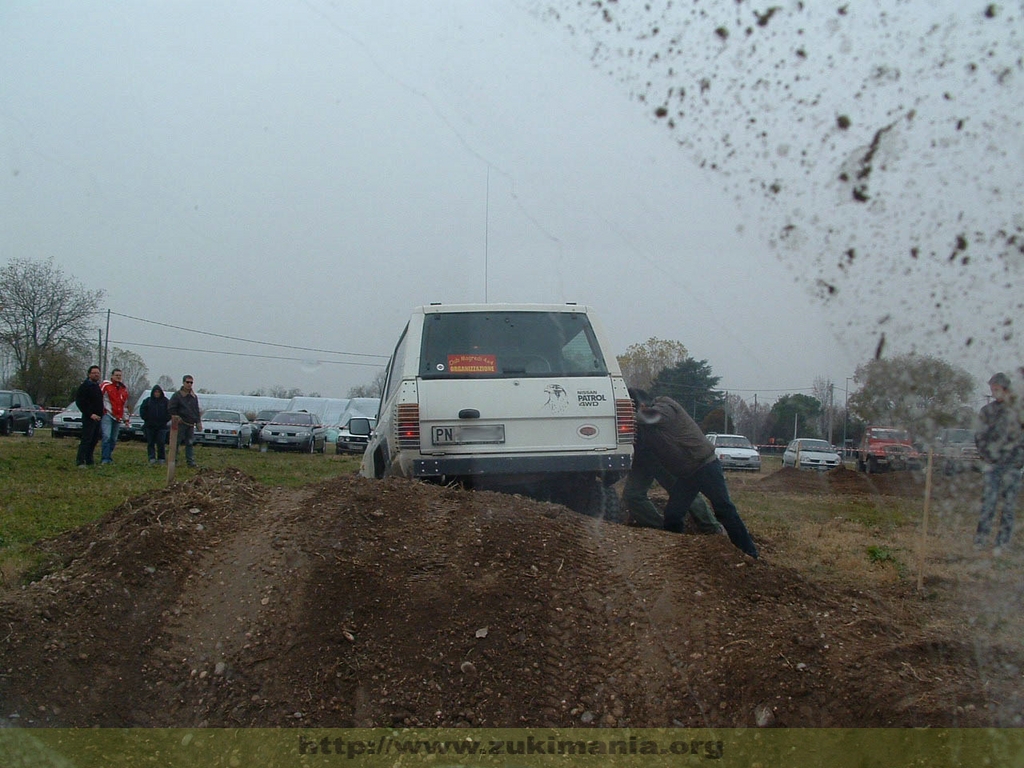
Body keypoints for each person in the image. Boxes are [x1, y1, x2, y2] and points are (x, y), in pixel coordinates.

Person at [630, 388, 758, 558]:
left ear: (644, 404)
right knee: (673, 514)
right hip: (687, 474)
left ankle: (749, 552)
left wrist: (625, 414)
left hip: (705, 466)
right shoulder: (650, 423)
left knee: (724, 509)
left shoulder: (667, 407)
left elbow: (647, 417)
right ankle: (675, 552)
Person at [974, 372, 1024, 554]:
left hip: (1012, 465)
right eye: (992, 389)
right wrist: (986, 455)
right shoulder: (987, 411)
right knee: (989, 502)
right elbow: (979, 436)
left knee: (1009, 506)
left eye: (996, 389)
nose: (994, 392)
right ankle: (981, 540)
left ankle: (1002, 542)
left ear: (1006, 389)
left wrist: (1019, 460)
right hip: (992, 465)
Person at [623, 444, 724, 533]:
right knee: (632, 495)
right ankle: (661, 527)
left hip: (659, 451)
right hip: (639, 454)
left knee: (684, 491)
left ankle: (712, 527)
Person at [168, 374, 202, 469]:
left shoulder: (194, 397)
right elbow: (171, 408)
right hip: (180, 424)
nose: (189, 384)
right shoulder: (177, 396)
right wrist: (176, 416)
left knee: (190, 443)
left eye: (191, 382)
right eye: (187, 382)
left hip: (190, 424)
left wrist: (198, 422)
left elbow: (196, 410)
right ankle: (173, 461)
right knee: (176, 443)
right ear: (183, 383)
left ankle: (190, 462)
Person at [75, 365, 103, 468]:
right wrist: (90, 414)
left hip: (98, 418)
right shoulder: (85, 386)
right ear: (89, 374)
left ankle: (89, 459)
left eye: (98, 373)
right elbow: (80, 402)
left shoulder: (96, 386)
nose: (96, 375)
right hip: (89, 418)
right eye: (94, 373)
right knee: (86, 439)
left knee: (94, 439)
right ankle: (80, 461)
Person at [99, 368, 129, 465]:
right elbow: (99, 398)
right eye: (116, 375)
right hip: (107, 415)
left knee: (113, 439)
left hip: (118, 417)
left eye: (120, 375)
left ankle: (109, 456)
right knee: (106, 436)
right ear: (112, 376)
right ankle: (105, 458)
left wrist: (126, 419)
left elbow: (124, 405)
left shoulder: (123, 390)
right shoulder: (106, 386)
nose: (118, 377)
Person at [139, 384, 170, 465]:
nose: (157, 393)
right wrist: (146, 418)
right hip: (150, 426)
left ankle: (161, 458)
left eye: (158, 392)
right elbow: (142, 410)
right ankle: (151, 457)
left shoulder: (165, 401)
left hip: (162, 426)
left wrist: (165, 419)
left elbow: (170, 411)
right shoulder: (148, 401)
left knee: (161, 442)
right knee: (150, 443)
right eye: (155, 392)